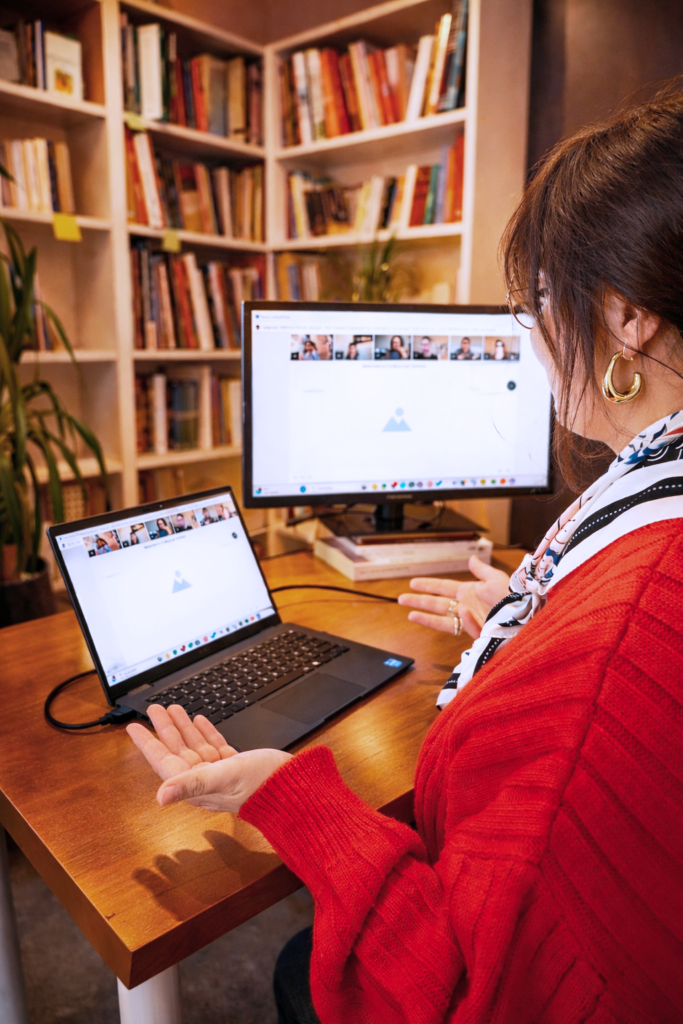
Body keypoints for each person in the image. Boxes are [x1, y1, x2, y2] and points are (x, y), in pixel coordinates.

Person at [126, 86, 683, 1023]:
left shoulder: (626, 630)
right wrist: (538, 629)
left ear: (627, 316)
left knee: (292, 965)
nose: (530, 337)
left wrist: (289, 798)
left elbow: (464, 992)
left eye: (538, 298)